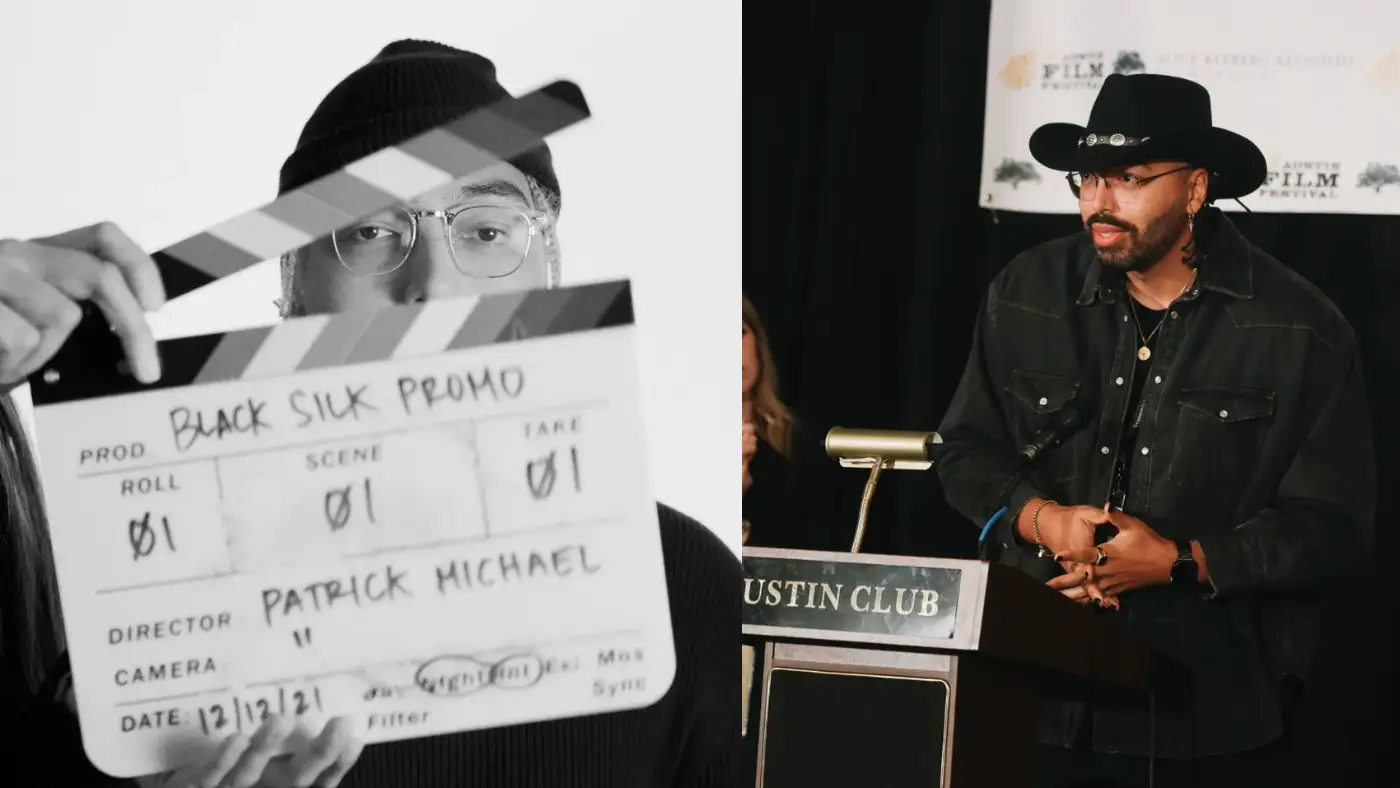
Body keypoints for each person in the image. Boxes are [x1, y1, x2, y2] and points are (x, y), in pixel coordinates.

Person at [0, 40, 738, 788]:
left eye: (486, 231)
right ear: (289, 296)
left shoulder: (692, 591)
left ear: (552, 274)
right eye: (370, 232)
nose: (435, 287)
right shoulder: (128, 613)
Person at [935, 73, 1375, 788]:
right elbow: (963, 451)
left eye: (1129, 180)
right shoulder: (1025, 292)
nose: (1098, 205)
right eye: (1088, 180)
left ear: (1196, 189)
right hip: (1028, 695)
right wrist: (1042, 520)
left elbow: (1333, 528)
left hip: (1205, 716)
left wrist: (1179, 560)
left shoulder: (1302, 330)